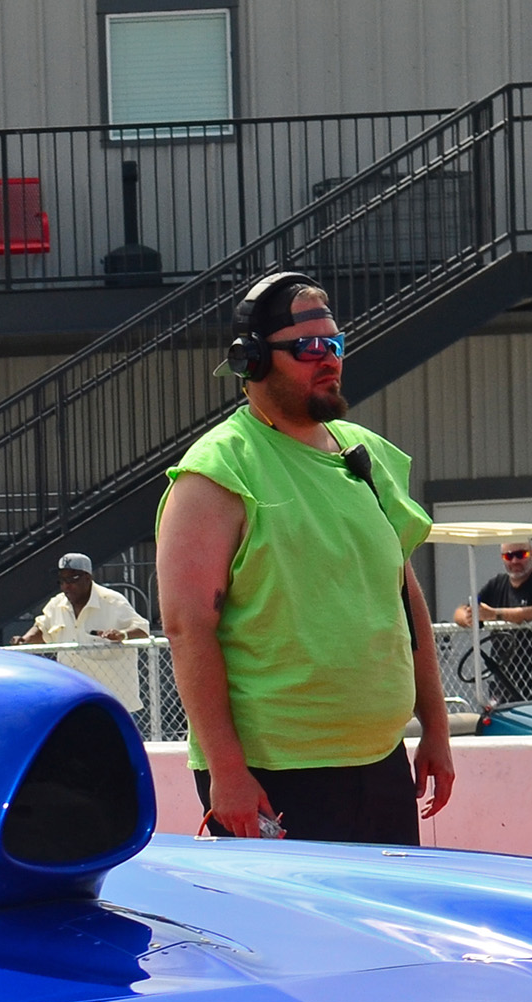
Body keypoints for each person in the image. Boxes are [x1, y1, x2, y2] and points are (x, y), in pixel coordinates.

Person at [157, 269, 452, 844]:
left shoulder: (366, 453)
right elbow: (188, 629)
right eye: (308, 348)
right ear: (253, 360)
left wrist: (435, 729)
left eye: (335, 344)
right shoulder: (217, 471)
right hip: (273, 776)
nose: (329, 359)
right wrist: (227, 772)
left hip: (380, 761)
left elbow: (404, 595)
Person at [18, 553, 152, 701]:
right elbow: (42, 628)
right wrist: (24, 640)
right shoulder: (57, 604)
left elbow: (143, 629)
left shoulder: (112, 601)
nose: (66, 586)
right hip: (72, 694)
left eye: (72, 579)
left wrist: (122, 634)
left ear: (88, 578)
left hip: (110, 696)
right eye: (62, 580)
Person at [451, 541, 532, 709]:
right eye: (509, 556)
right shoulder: (497, 584)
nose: (515, 561)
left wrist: (496, 614)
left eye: (521, 555)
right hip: (503, 683)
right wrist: (469, 617)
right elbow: (462, 610)